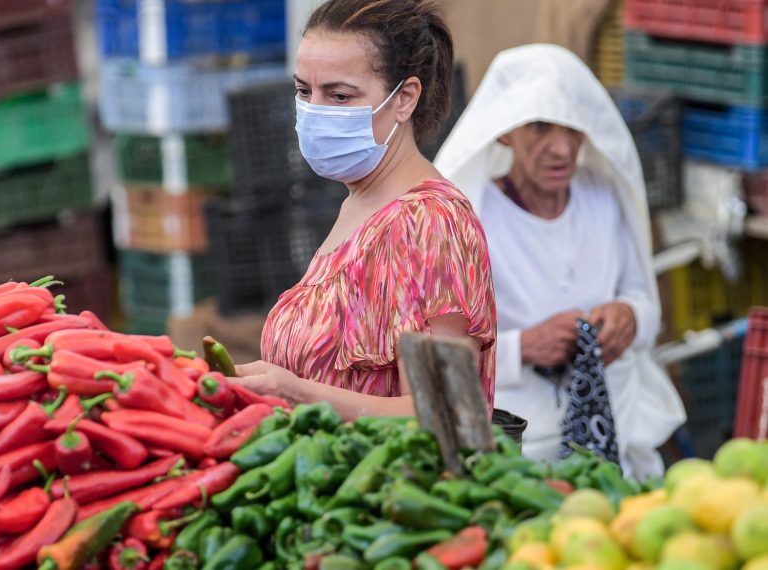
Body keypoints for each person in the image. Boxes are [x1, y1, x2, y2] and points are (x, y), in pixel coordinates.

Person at [230, 0, 497, 421]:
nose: (315, 111)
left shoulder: (429, 223)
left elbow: (447, 413)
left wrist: (296, 394)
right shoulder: (359, 203)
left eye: (339, 95)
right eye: (304, 92)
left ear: (405, 98)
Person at [433, 44, 685, 478]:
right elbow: (435, 355)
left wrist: (629, 316)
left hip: (618, 432)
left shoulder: (602, 195)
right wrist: (521, 348)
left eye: (573, 128)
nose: (562, 149)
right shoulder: (468, 216)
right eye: (540, 127)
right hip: (515, 449)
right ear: (505, 133)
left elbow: (643, 301)